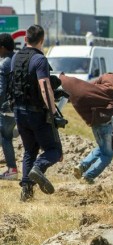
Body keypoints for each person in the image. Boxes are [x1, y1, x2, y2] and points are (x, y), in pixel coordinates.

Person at [59, 55, 113, 184]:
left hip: (95, 117)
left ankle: (82, 166)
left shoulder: (107, 76)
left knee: (102, 148)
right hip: (106, 121)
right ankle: (88, 176)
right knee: (108, 155)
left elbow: (90, 88)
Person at [10, 25, 63, 201]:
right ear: (42, 40)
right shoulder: (40, 59)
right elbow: (44, 86)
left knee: (29, 150)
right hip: (36, 112)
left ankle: (26, 192)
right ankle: (38, 168)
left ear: (25, 39)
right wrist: (53, 111)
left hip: (18, 110)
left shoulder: (16, 57)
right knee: (54, 150)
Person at [0, 33, 17, 180]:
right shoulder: (18, 59)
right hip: (21, 106)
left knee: (5, 137)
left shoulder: (4, 63)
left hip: (6, 108)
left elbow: (1, 90)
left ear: (3, 48)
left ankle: (12, 169)